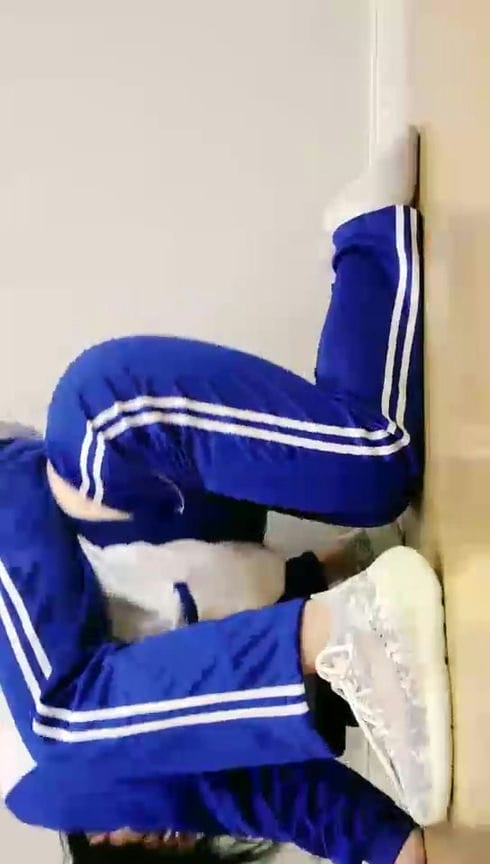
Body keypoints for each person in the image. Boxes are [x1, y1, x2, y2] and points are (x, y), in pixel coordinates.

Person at [0, 130, 450, 864]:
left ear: (94, 835)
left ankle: (343, 629)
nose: (165, 839)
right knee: (379, 470)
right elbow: (285, 798)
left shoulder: (49, 759)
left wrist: (322, 631)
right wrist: (400, 849)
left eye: (135, 848)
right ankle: (367, 231)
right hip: (179, 498)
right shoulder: (168, 752)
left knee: (66, 731)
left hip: (113, 432)